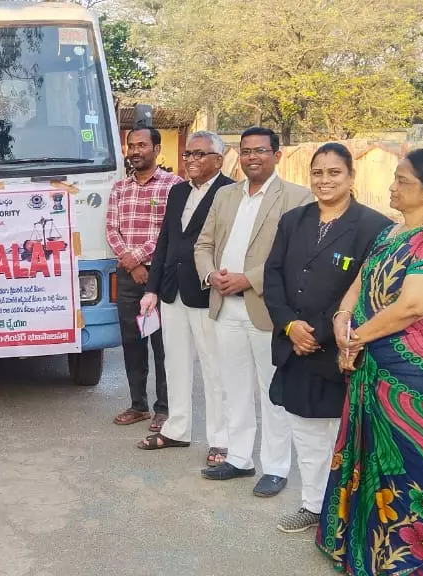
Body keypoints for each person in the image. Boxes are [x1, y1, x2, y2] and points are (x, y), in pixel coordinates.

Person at [319, 149, 423, 574]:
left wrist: (356, 337)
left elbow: (414, 304)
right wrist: (342, 318)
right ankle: (365, 551)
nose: (393, 187)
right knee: (368, 462)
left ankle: (408, 563)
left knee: (411, 469)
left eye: (403, 181)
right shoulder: (389, 233)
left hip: (415, 383)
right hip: (371, 369)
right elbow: (358, 283)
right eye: (394, 179)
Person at [262, 143, 392, 533]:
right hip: (294, 346)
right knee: (305, 430)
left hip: (341, 351)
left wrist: (317, 331)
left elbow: (364, 289)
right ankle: (313, 505)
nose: (324, 180)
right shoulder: (293, 220)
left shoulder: (374, 227)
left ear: (351, 177)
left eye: (334, 173)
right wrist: (289, 326)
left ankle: (349, 511)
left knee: (345, 434)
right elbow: (273, 276)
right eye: (318, 173)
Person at [193, 126, 311, 496]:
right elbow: (203, 244)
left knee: (272, 390)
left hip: (266, 308)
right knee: (233, 386)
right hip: (224, 306)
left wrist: (249, 280)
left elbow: (295, 256)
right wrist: (211, 274)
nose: (252, 157)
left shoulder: (297, 197)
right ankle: (240, 458)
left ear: (277, 155)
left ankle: (275, 467)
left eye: (260, 150)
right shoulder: (226, 195)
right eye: (245, 151)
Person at [135, 131, 235, 462]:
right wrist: (151, 289)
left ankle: (221, 439)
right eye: (188, 154)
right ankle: (176, 429)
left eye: (199, 155)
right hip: (171, 290)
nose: (190, 160)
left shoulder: (230, 192)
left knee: (214, 367)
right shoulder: (177, 192)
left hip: (208, 291)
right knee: (174, 362)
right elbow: (166, 242)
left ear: (218, 160)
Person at [107, 127, 183, 431]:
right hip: (128, 277)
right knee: (131, 342)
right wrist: (131, 261)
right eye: (131, 146)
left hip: (160, 275)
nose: (135, 151)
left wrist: (140, 258)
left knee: (163, 344)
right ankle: (138, 405)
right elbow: (112, 229)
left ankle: (164, 408)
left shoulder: (173, 186)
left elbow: (171, 232)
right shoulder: (119, 188)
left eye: (142, 145)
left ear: (157, 148)